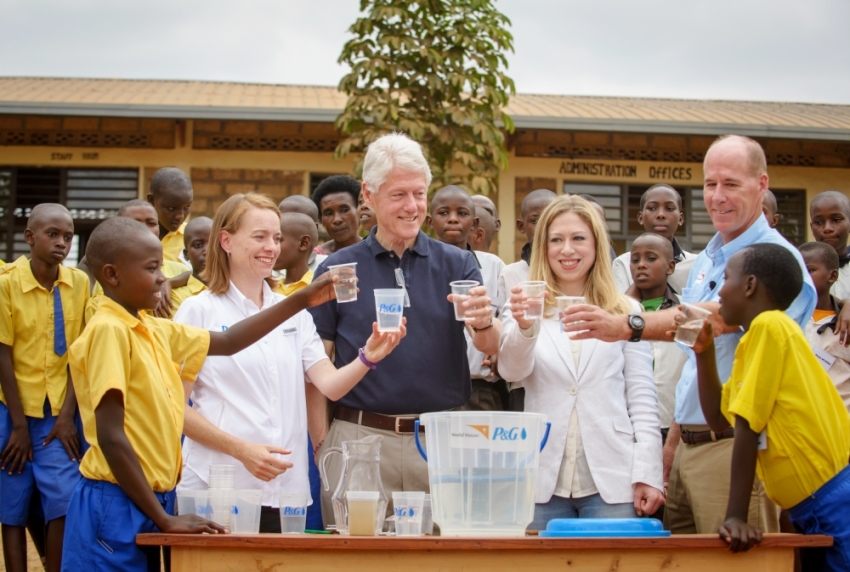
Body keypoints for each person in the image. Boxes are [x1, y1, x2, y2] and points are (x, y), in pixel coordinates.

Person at [60, 214, 370, 570]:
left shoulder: (150, 328)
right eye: (151, 268)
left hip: (145, 498)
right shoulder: (108, 330)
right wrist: (164, 519)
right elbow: (112, 436)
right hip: (114, 498)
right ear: (112, 275)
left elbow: (229, 340)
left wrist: (300, 301)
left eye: (161, 266)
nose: (163, 278)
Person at [562, 135, 816, 535]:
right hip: (689, 449)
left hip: (739, 450)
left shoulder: (778, 261)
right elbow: (694, 358)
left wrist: (628, 326)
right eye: (710, 184)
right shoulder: (709, 259)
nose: (717, 196)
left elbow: (714, 320)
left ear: (762, 185)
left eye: (731, 184)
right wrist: (672, 446)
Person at [174, 193, 405, 533]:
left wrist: (368, 357)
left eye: (277, 238)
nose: (272, 247)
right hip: (218, 489)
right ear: (226, 240)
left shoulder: (294, 312)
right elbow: (174, 407)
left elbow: (328, 384)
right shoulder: (197, 311)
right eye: (259, 236)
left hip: (285, 493)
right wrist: (241, 451)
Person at [309, 133, 501, 525]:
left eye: (419, 193)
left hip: (440, 442)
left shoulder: (457, 264)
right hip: (357, 441)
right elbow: (317, 363)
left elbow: (488, 344)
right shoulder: (339, 269)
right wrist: (320, 441)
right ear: (369, 194)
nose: (413, 206)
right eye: (399, 195)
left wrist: (484, 322)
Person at [499, 195, 664, 527]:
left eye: (578, 239)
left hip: (613, 480)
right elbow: (511, 370)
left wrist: (648, 471)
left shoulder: (626, 311)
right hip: (540, 481)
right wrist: (526, 326)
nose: (567, 250)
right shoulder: (523, 305)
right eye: (556, 240)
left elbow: (643, 397)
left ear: (596, 244)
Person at [691, 243, 850, 570]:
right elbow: (720, 419)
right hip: (810, 505)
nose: (720, 292)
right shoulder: (753, 341)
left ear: (749, 286)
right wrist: (704, 354)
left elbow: (748, 425)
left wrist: (735, 515)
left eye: (727, 279)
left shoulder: (770, 326)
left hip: (834, 499)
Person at [0, 204, 89, 572]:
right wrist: (19, 425)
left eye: (67, 236)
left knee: (64, 501)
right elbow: (2, 354)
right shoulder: (6, 284)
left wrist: (67, 415)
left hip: (59, 417)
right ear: (30, 237)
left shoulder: (79, 283)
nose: (62, 243)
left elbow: (78, 354)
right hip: (14, 412)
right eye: (52, 234)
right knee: (12, 503)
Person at [428, 185, 505, 411]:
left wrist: (500, 350)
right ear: (430, 222)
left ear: (474, 223)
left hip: (479, 388)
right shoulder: (416, 267)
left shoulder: (494, 266)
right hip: (430, 385)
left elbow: (504, 319)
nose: (453, 219)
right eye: (444, 213)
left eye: (462, 213)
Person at [85, 200, 196, 322]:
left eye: (151, 223)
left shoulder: (183, 272)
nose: (144, 229)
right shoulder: (107, 285)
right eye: (134, 223)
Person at [497, 188, 557, 412]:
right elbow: (505, 329)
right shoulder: (512, 274)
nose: (543, 226)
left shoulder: (574, 271)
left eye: (551, 219)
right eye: (535, 220)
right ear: (522, 227)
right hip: (522, 384)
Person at [628, 233, 688, 444]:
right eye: (635, 260)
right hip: (629, 424)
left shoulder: (686, 310)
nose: (641, 265)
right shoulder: (618, 311)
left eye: (651, 258)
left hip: (673, 422)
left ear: (670, 267)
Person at [612, 184, 696, 294]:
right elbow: (620, 307)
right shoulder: (623, 263)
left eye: (669, 209)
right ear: (640, 218)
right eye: (652, 208)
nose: (661, 215)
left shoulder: (695, 264)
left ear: (680, 219)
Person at [799, 242, 850, 412]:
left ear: (832, 276)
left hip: (841, 425)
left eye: (810, 270)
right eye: (798, 270)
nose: (802, 276)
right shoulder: (788, 319)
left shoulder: (845, 324)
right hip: (803, 424)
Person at [146, 168, 193, 266]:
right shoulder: (134, 236)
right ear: (151, 201)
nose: (180, 216)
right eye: (172, 208)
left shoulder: (193, 239)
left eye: (187, 207)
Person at [809, 190, 850, 300]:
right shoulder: (801, 269)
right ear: (811, 228)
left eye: (836, 220)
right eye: (819, 222)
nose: (827, 228)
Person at [169, 216, 212, 313]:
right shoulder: (175, 297)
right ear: (186, 254)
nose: (207, 251)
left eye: (213, 243)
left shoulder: (236, 288)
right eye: (198, 245)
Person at [312, 175, 362, 256]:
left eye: (344, 210)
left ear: (359, 210)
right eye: (328, 213)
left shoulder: (376, 252)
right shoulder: (314, 258)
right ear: (321, 219)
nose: (337, 220)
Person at [273, 212, 319, 297]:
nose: (271, 247)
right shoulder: (269, 288)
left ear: (303, 243)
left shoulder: (317, 287)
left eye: (278, 240)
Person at [279, 194, 327, 273]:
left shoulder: (326, 266)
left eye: (295, 221)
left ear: (315, 227)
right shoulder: (266, 269)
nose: (284, 224)